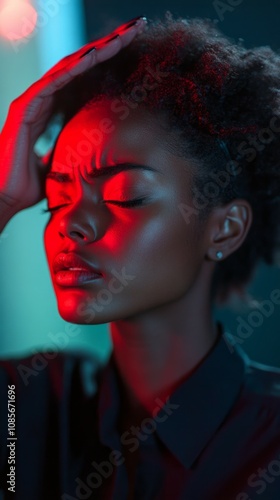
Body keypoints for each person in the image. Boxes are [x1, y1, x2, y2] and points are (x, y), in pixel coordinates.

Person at [0, 12, 280, 500]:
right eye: (56, 200)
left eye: (125, 195)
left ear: (225, 227)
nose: (70, 223)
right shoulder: (23, 403)